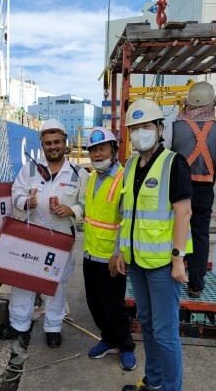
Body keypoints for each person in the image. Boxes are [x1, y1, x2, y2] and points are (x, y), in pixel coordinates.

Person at [116, 99, 193, 391]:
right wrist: (121, 251)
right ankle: (155, 382)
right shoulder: (131, 164)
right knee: (146, 325)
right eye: (134, 128)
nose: (140, 133)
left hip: (163, 265)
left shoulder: (174, 163)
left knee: (165, 332)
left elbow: (184, 213)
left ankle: (170, 388)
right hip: (137, 262)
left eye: (146, 126)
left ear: (160, 128)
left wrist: (177, 259)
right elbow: (128, 214)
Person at [0, 119, 89, 348]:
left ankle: (53, 327)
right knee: (23, 282)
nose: (53, 146)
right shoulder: (29, 170)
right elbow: (15, 195)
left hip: (61, 238)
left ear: (65, 143)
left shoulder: (79, 174)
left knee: (56, 285)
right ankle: (19, 323)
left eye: (57, 142)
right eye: (48, 143)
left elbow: (88, 204)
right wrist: (25, 202)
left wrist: (73, 210)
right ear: (42, 144)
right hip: (32, 236)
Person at [163, 81, 216, 298]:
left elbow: (165, 154)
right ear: (212, 103)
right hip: (205, 190)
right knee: (200, 236)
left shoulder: (174, 127)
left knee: (175, 230)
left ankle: (172, 273)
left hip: (178, 189)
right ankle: (196, 285)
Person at [83, 127, 137, 371]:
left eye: (101, 148)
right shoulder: (93, 177)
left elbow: (125, 221)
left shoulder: (123, 178)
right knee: (95, 303)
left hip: (110, 257)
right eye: (93, 150)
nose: (96, 154)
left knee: (114, 306)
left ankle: (126, 346)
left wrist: (118, 254)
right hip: (90, 253)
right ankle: (108, 340)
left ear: (114, 150)